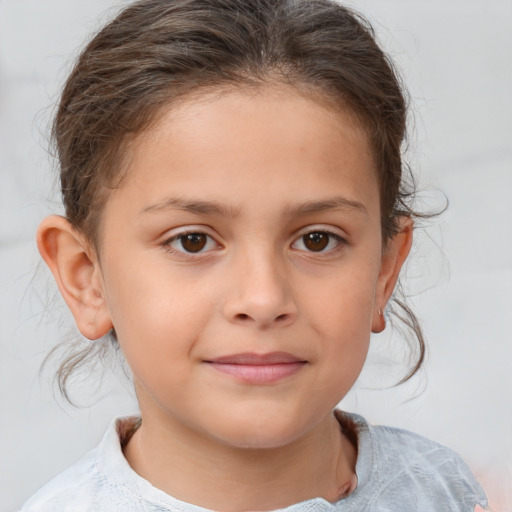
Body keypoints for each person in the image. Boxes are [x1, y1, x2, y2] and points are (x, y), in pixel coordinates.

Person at [21, 0, 489, 510]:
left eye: (317, 239)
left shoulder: (444, 490)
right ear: (85, 277)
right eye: (192, 240)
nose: (263, 299)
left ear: (383, 269)